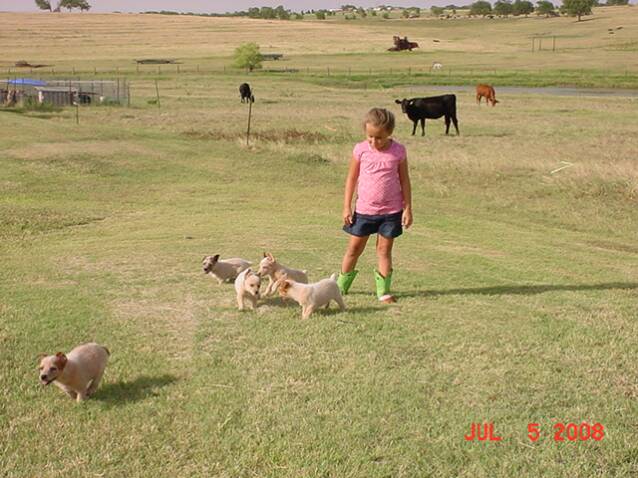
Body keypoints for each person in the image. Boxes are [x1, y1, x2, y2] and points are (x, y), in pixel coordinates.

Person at [337, 107, 413, 304]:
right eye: (370, 136)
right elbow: (351, 179)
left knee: (384, 251)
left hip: (391, 212)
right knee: (354, 249)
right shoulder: (360, 150)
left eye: (379, 137)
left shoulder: (398, 152)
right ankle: (339, 288)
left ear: (389, 132)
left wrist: (408, 208)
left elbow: (405, 181)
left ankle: (383, 292)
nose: (374, 141)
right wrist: (346, 206)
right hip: (363, 211)